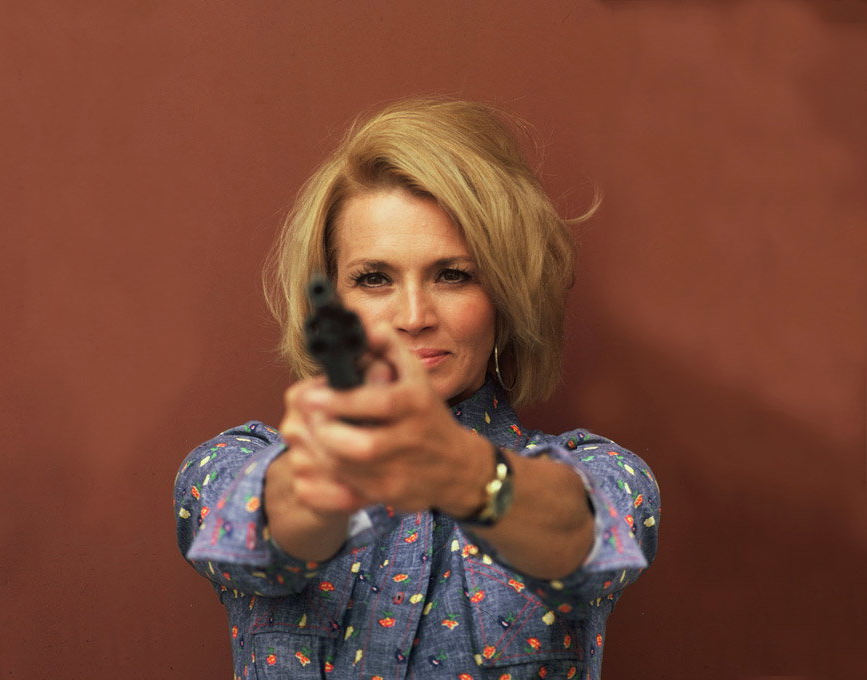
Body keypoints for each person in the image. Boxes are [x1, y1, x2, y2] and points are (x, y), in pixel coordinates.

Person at [174, 98, 659, 680]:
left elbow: (584, 538)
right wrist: (324, 476)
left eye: (453, 275)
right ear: (331, 304)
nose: (413, 317)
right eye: (374, 278)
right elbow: (261, 530)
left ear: (507, 297)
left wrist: (466, 472)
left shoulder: (608, 477)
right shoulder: (227, 467)